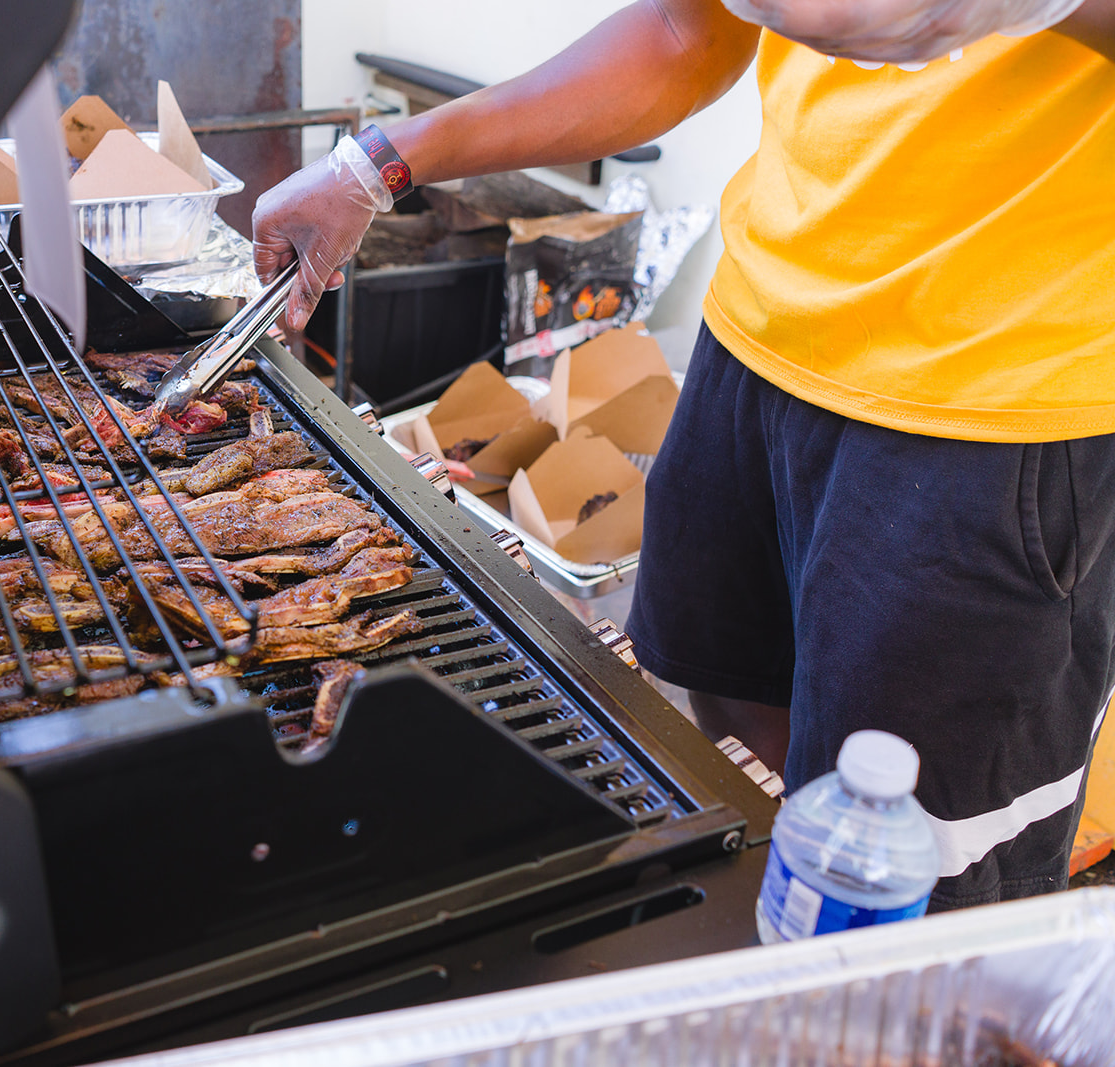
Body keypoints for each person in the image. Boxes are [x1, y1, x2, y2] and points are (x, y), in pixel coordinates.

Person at [253, 0, 1115, 910]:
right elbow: (681, 32)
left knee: (920, 876)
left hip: (1000, 399)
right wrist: (381, 163)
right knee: (726, 722)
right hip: (759, 331)